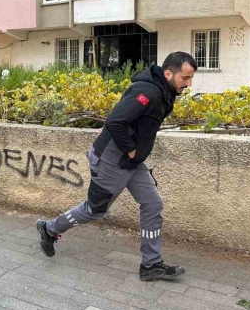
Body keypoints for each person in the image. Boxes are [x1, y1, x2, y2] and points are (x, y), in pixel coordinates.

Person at [36, 52, 197, 281]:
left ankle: (151, 265)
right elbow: (115, 121)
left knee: (152, 203)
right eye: (185, 78)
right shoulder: (148, 91)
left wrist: (135, 154)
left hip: (133, 161)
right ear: (168, 73)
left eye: (191, 78)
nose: (189, 84)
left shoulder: (164, 91)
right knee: (95, 210)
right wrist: (130, 148)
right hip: (114, 159)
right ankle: (50, 229)